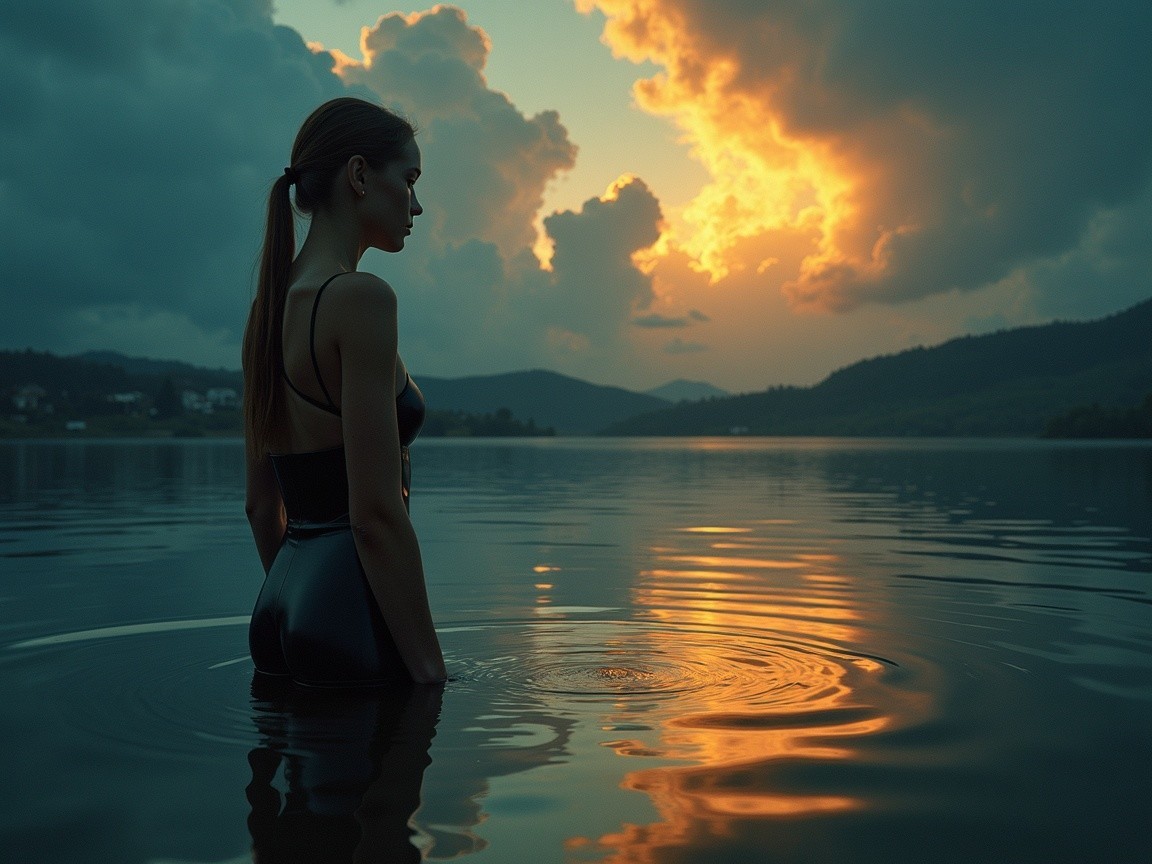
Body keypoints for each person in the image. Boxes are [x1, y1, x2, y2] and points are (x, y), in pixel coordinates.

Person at [243, 97, 446, 686]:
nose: (416, 204)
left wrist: (301, 599)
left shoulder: (267, 312)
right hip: (349, 611)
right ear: (359, 175)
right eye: (409, 180)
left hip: (280, 604)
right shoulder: (361, 299)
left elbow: (261, 507)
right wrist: (431, 673)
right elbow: (374, 515)